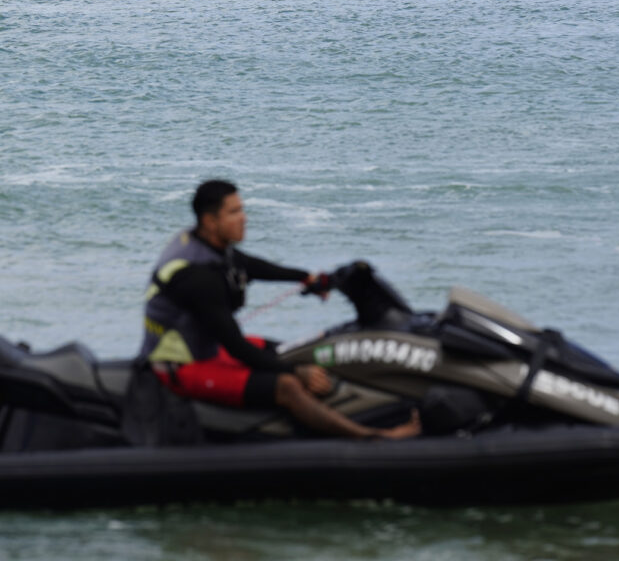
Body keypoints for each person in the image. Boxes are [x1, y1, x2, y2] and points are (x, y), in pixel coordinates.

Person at [140, 180, 421, 440]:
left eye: (242, 209)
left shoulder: (204, 244)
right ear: (211, 221)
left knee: (291, 348)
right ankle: (373, 438)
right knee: (287, 385)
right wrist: (298, 372)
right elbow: (237, 347)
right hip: (181, 365)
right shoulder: (198, 277)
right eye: (235, 212)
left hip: (205, 347)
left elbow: (251, 265)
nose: (244, 217)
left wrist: (307, 277)